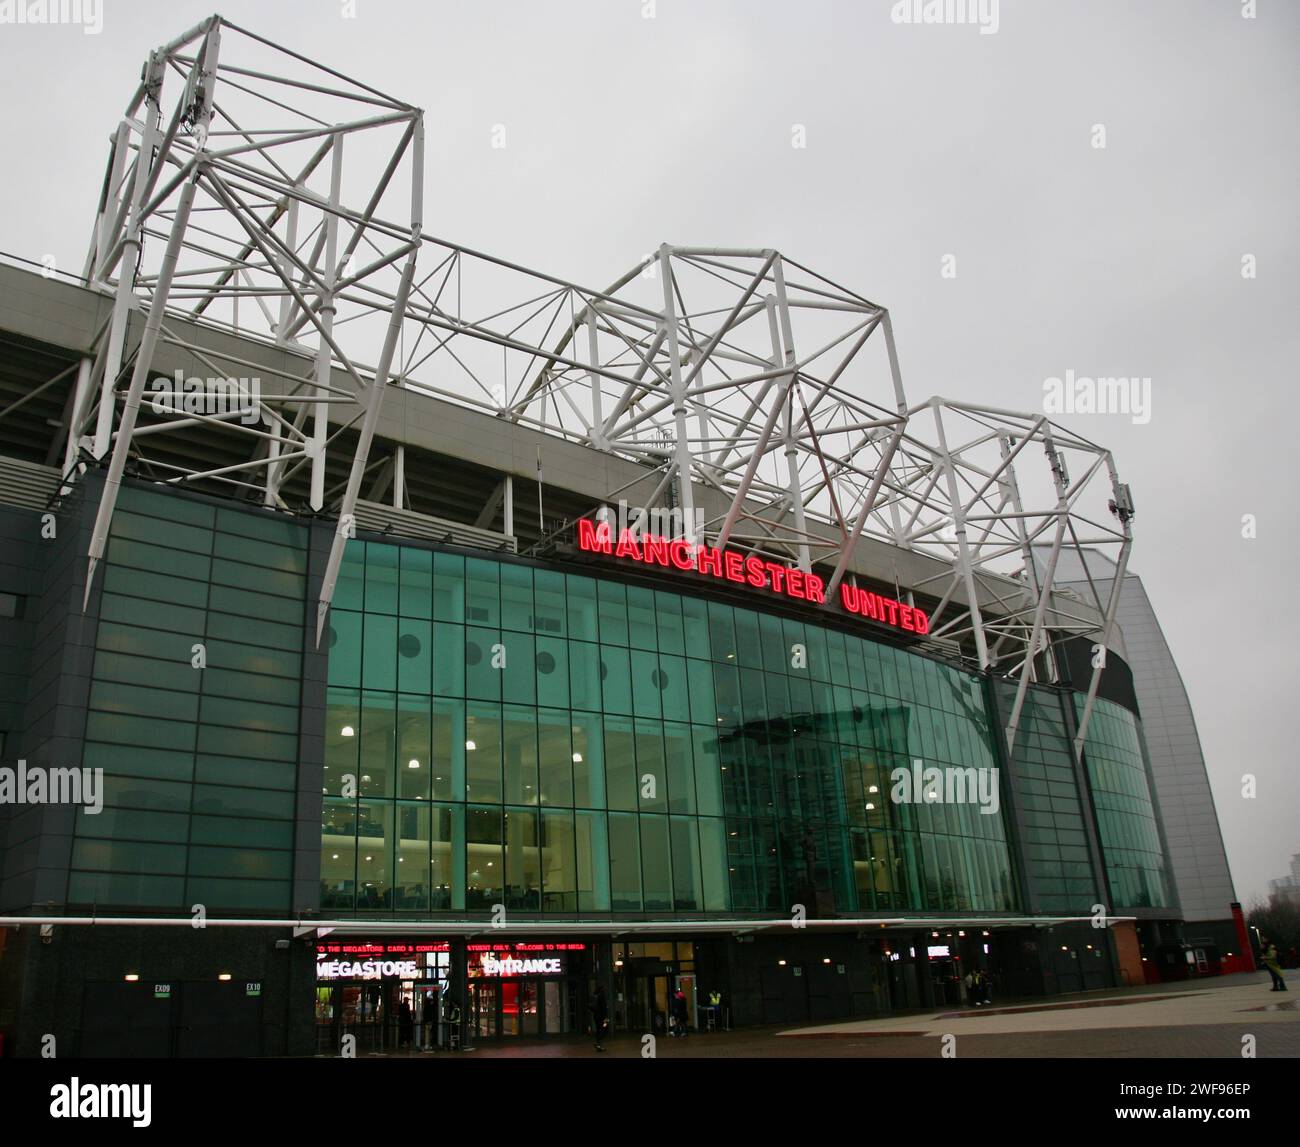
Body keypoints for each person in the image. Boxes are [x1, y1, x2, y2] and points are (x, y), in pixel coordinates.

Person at [590, 985, 609, 1052]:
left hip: (596, 1016)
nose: (605, 990)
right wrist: (606, 1017)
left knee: (599, 1029)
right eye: (604, 988)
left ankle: (599, 1044)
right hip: (603, 1017)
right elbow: (604, 1007)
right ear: (602, 989)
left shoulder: (595, 995)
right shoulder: (602, 996)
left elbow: (591, 1006)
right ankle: (598, 1042)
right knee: (604, 1027)